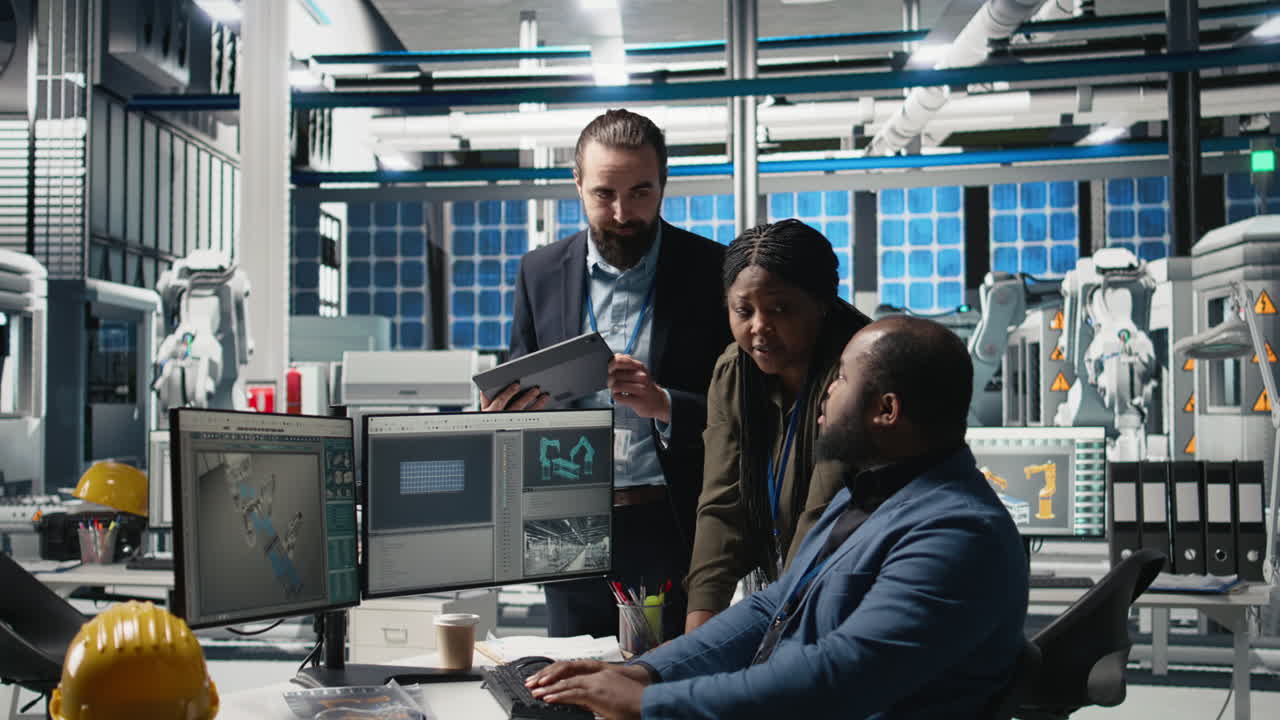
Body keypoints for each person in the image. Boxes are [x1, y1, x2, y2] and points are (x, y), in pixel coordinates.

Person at [526, 316, 1030, 720]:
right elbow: (773, 608)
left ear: (887, 409)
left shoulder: (957, 535)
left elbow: (840, 677)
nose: (827, 393)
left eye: (841, 380)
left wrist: (649, 705)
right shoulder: (868, 494)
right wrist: (647, 673)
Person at [484, 109, 730, 640]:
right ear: (577, 183)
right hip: (564, 514)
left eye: (641, 193)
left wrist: (665, 404)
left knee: (668, 678)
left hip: (672, 518)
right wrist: (508, 411)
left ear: (664, 184)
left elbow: (743, 406)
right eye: (603, 194)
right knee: (570, 678)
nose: (622, 212)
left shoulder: (712, 271)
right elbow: (516, 384)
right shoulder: (539, 272)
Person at [685, 219, 871, 633]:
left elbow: (822, 515)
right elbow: (720, 508)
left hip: (855, 600)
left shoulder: (856, 375)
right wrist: (693, 640)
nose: (759, 328)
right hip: (788, 598)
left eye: (781, 309)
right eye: (743, 311)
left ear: (821, 303)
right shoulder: (735, 372)